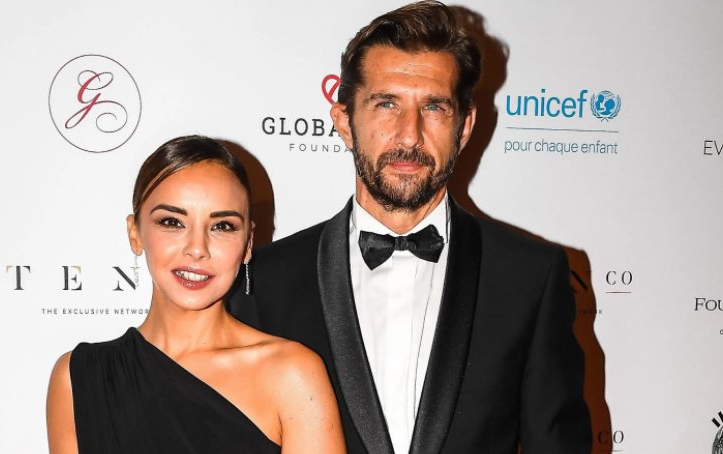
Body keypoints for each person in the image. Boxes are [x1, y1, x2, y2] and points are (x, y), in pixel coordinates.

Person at [230, 2, 592, 453]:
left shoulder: (529, 278)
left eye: (434, 107)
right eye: (386, 104)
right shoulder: (266, 282)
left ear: (465, 127)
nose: (409, 135)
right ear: (344, 122)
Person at [46, 136, 346, 454]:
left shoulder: (291, 374)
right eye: (172, 222)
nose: (197, 248)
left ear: (247, 243)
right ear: (135, 233)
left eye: (222, 226)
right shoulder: (79, 379)